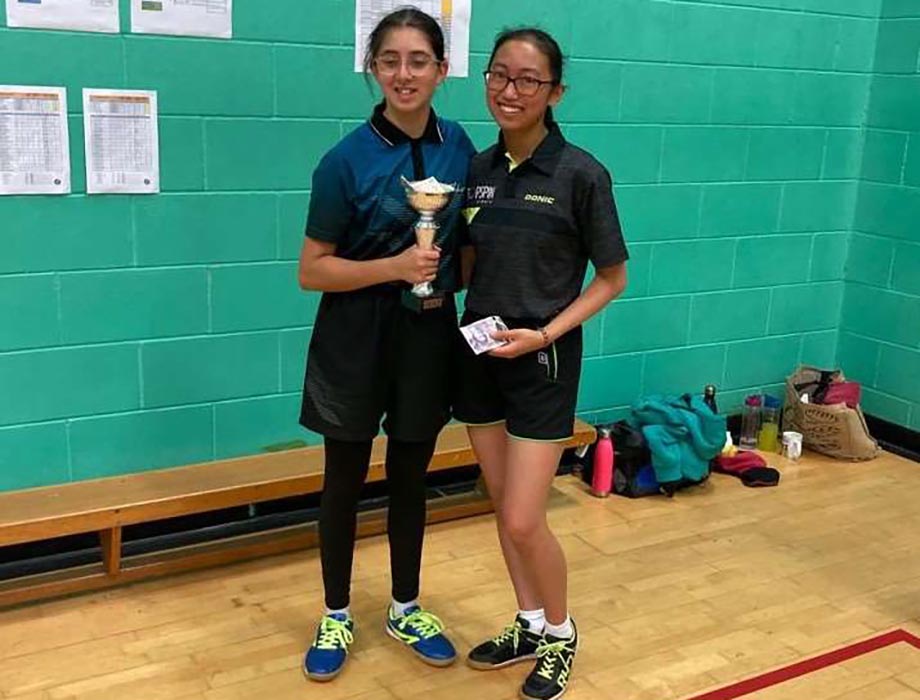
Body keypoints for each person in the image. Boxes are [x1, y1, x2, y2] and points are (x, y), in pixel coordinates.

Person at [297, 8, 474, 682]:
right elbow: (312, 269)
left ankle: (405, 605)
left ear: (441, 69)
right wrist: (393, 268)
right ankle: (336, 614)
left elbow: (469, 243)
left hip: (428, 333)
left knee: (411, 474)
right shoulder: (344, 160)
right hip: (353, 335)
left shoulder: (461, 146)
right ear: (373, 68)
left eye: (418, 60)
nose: (405, 73)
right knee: (343, 479)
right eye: (390, 60)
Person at [454, 27, 629, 700]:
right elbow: (473, 265)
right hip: (478, 355)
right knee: (503, 507)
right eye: (499, 75)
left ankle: (561, 632)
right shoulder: (476, 170)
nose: (510, 90)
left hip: (543, 362)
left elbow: (612, 278)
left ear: (555, 92)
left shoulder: (581, 173)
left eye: (528, 79)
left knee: (526, 518)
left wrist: (545, 332)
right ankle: (527, 623)